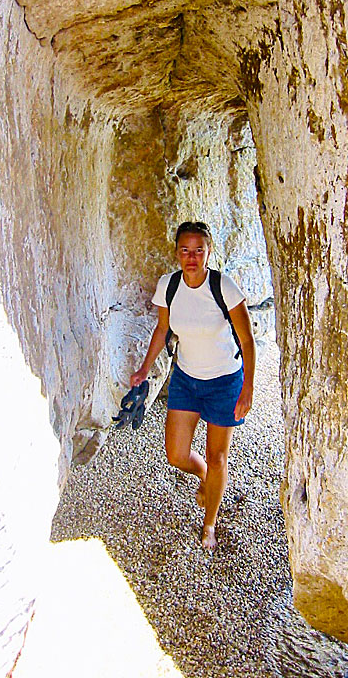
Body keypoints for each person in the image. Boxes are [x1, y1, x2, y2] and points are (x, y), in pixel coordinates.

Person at [130, 221, 256, 550]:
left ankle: (210, 523)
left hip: (225, 382)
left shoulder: (223, 287)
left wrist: (248, 389)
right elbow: (162, 330)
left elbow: (247, 339)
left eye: (198, 250)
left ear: (208, 252)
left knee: (218, 458)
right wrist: (144, 368)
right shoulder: (168, 286)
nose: (191, 257)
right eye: (185, 250)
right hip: (186, 379)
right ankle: (204, 477)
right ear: (176, 253)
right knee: (176, 455)